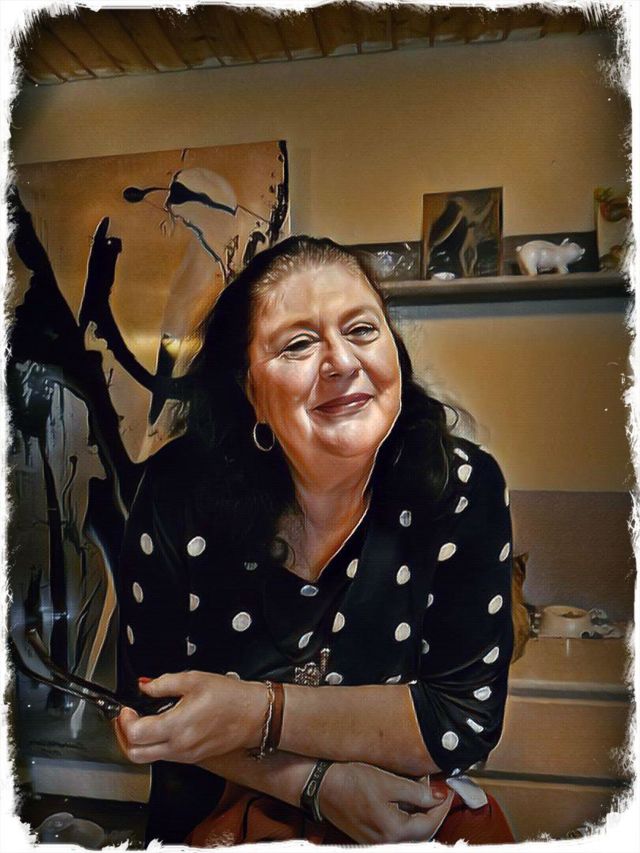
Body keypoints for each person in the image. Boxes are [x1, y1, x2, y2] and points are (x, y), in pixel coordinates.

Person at [114, 236, 515, 846]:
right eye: (298, 344)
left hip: (398, 827)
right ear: (249, 391)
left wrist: (255, 711)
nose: (342, 361)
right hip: (214, 824)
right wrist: (316, 785)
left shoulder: (460, 487)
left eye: (362, 330)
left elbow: (462, 720)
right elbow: (150, 708)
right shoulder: (177, 492)